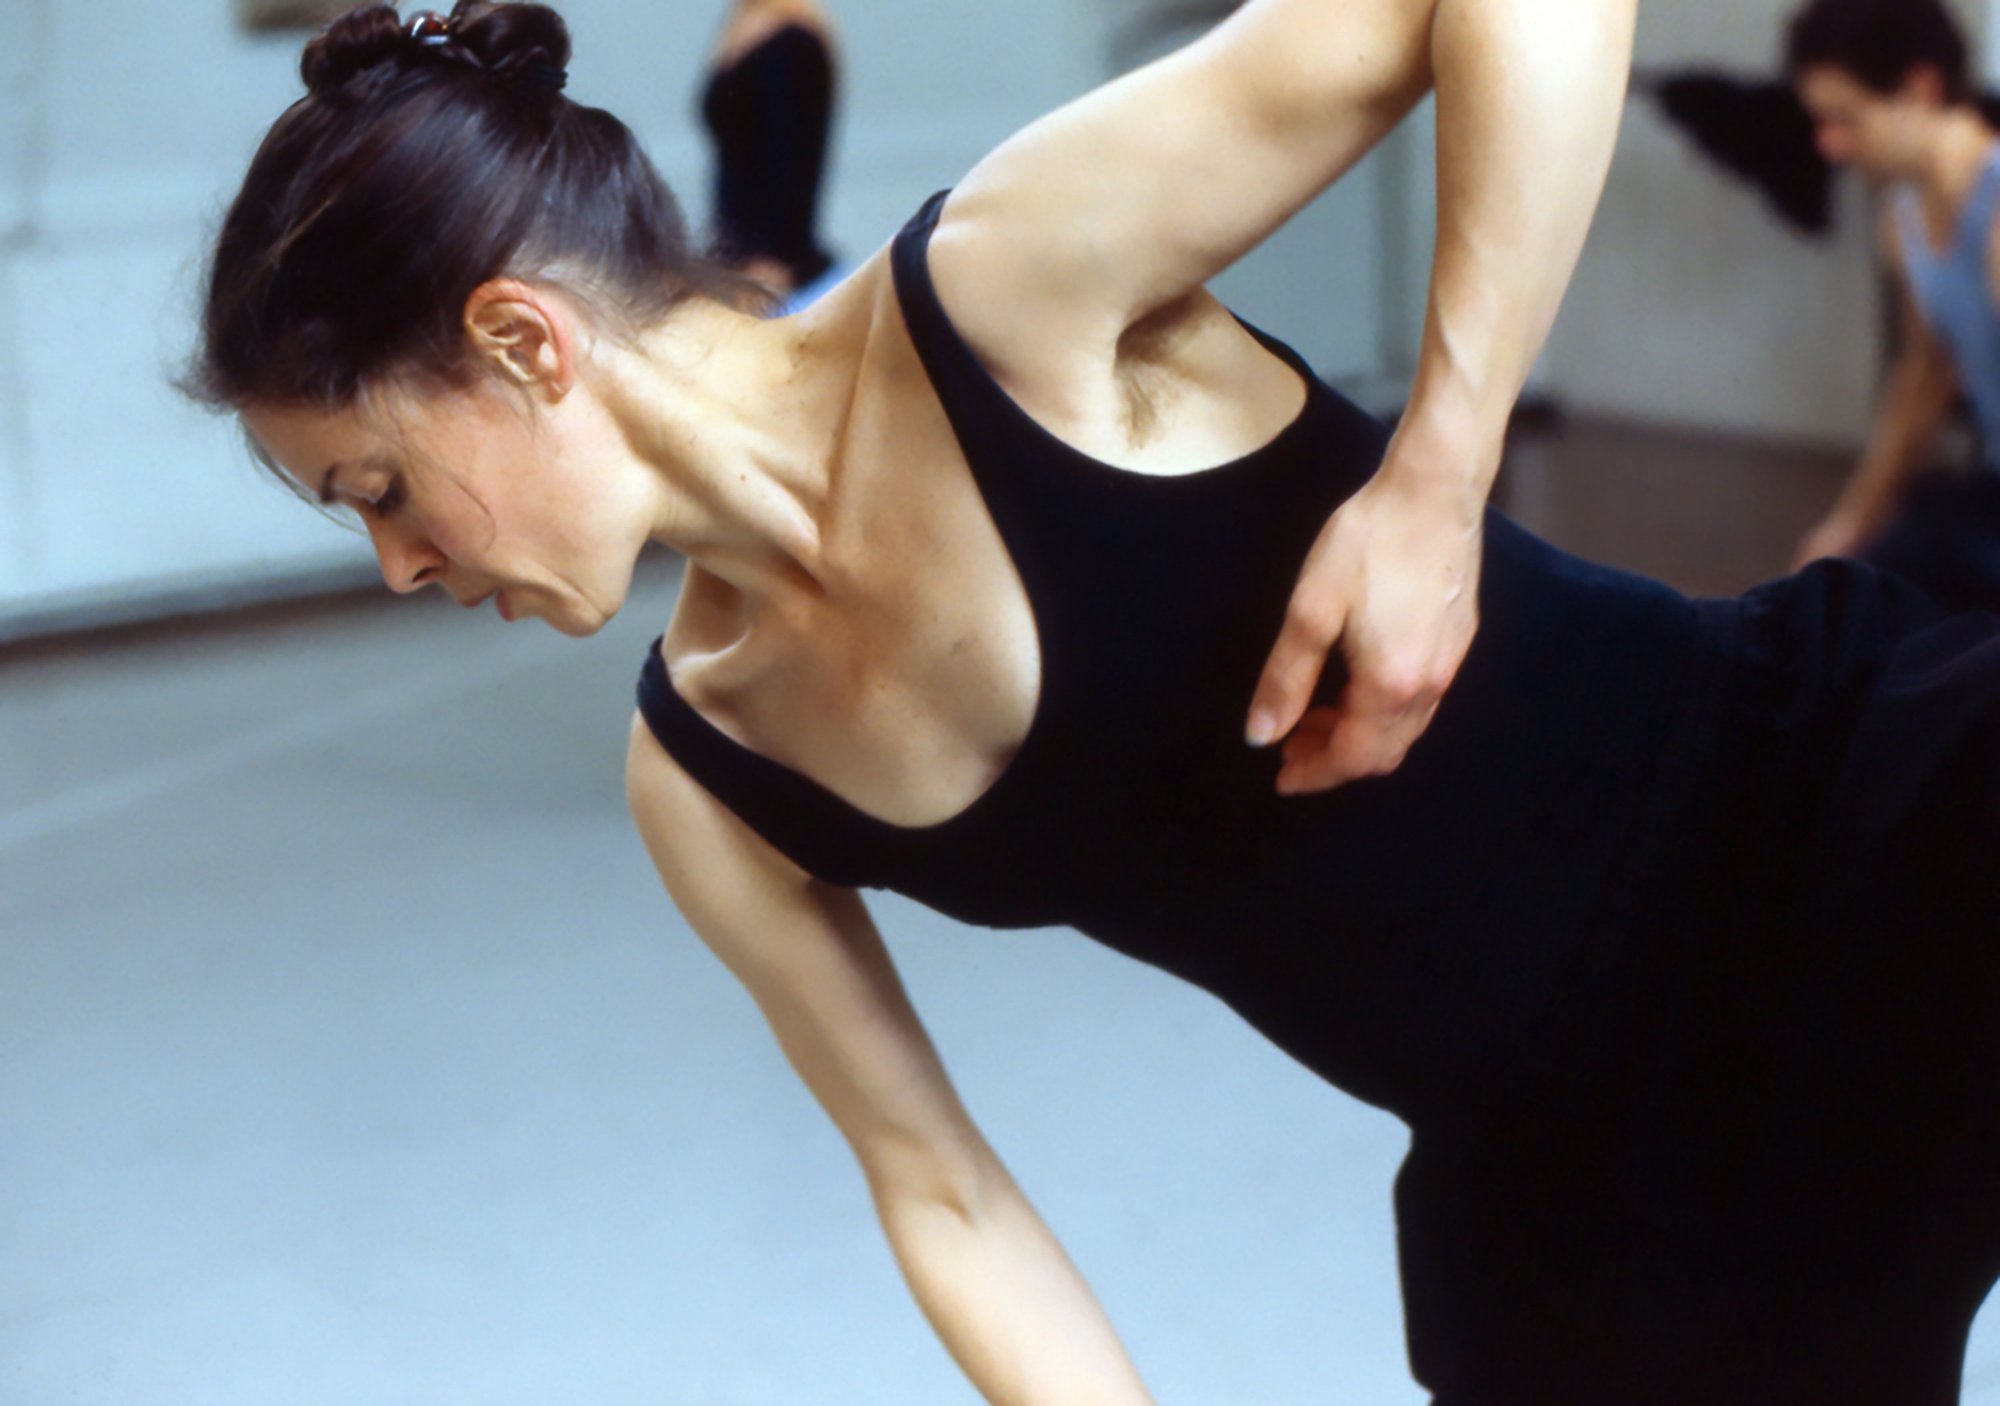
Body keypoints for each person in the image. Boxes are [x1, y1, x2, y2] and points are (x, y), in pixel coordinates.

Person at [189, 2, 2000, 1401]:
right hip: (1576, 1187)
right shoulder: (713, 773)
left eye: (381, 490)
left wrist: (1441, 478)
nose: (401, 572)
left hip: (1835, 829)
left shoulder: (999, 297)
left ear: (522, 344)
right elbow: (947, 1197)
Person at [1789, 0, 2000, 611]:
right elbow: (1925, 379)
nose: (1829, 145)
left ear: (1920, 87)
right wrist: (1848, 525)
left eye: (1845, 118)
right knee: (1857, 594)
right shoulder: (1902, 220)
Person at [700, 0, 842, 306]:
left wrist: (771, 266)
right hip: (735, 258)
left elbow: (794, 165)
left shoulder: (794, 40)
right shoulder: (742, 25)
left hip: (775, 270)